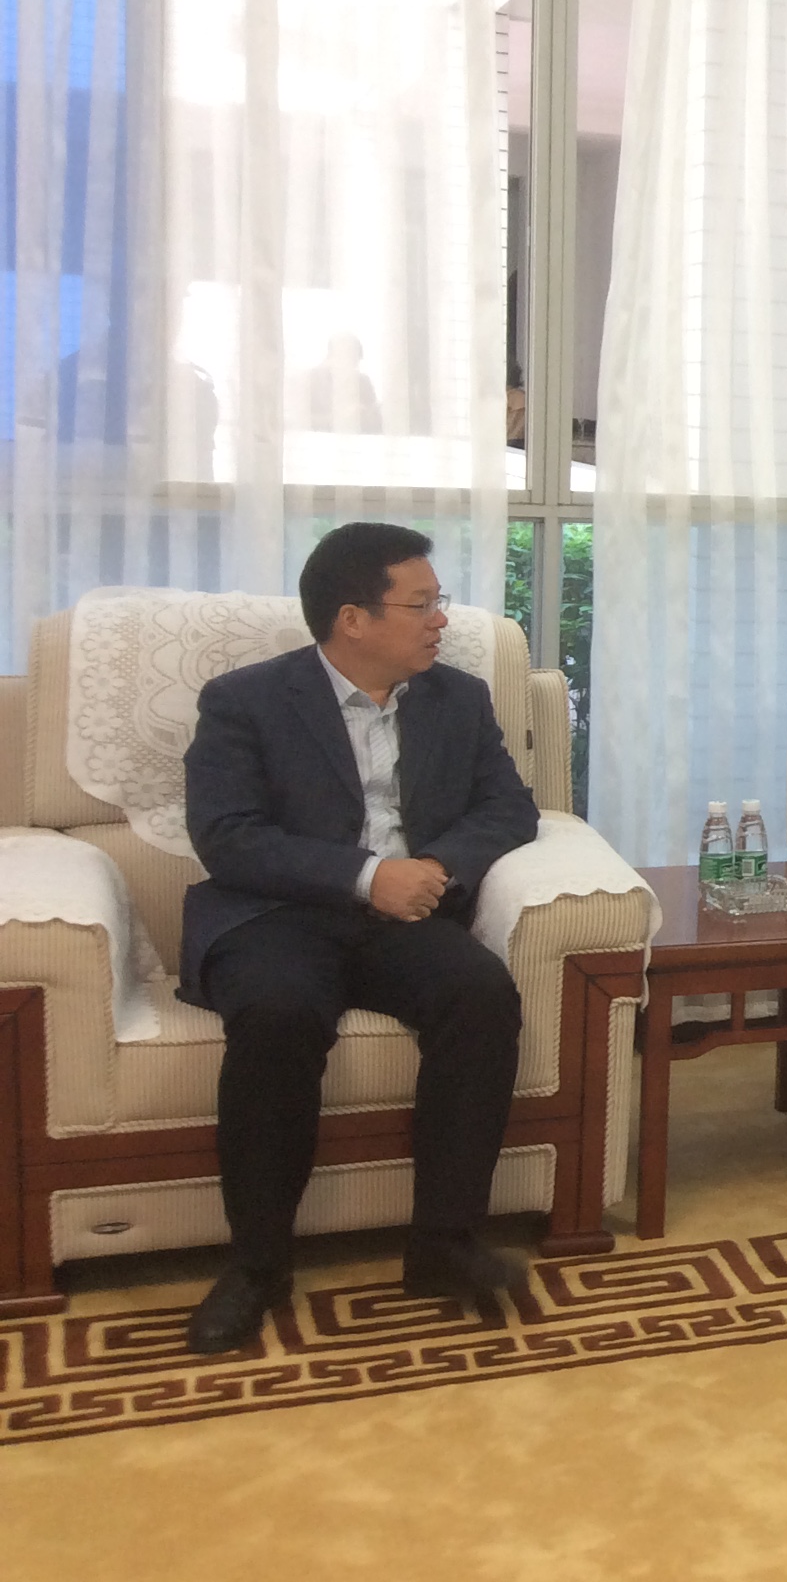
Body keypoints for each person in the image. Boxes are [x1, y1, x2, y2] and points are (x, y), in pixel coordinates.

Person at [178, 523, 539, 1354]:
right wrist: (366, 874)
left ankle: (444, 1244)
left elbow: (508, 809)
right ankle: (257, 1266)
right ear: (353, 618)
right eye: (422, 604)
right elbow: (228, 836)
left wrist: (435, 868)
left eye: (440, 602)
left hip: (405, 918)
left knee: (480, 993)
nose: (441, 620)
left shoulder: (457, 699)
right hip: (278, 915)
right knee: (278, 1013)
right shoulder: (244, 701)